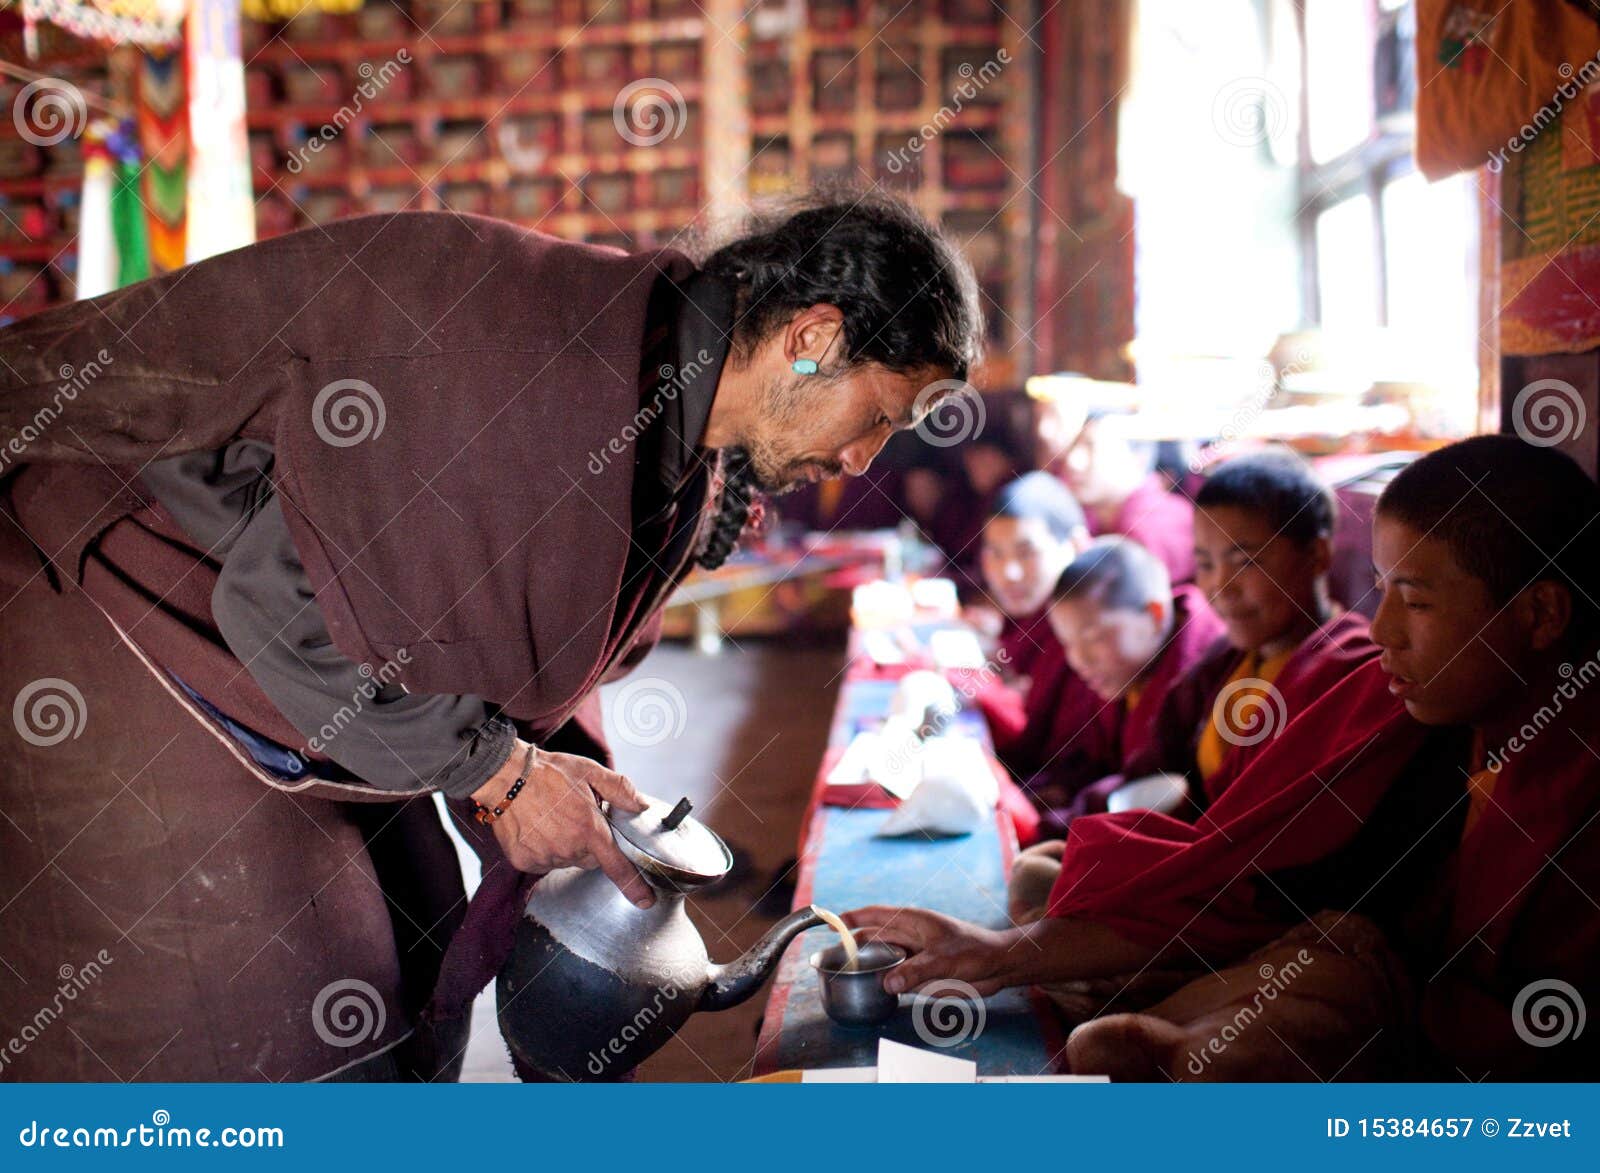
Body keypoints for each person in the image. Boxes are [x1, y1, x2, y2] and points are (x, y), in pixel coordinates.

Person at [0, 190, 983, 1079]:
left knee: (417, 929)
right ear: (812, 336)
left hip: (289, 634)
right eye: (879, 416)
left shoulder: (670, 397)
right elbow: (277, 604)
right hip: (104, 578)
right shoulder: (525, 369)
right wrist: (499, 774)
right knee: (268, 1005)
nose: (861, 458)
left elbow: (533, 607)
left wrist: (554, 760)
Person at [848, 435, 1600, 1081]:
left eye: (1418, 600)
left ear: (1540, 614)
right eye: (1381, 591)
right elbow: (1245, 880)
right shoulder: (1392, 706)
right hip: (1316, 955)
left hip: (1435, 1048)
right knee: (1277, 948)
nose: (1386, 629)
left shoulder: (1572, 778)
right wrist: (1004, 954)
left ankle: (1175, 1035)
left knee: (1335, 969)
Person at [1007, 450, 1373, 918]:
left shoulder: (1345, 671)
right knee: (1036, 875)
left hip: (1251, 906)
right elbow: (1154, 771)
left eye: (1246, 562)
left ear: (1318, 554)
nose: (1222, 587)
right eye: (1206, 564)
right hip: (1190, 873)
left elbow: (1278, 857)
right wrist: (1077, 834)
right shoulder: (1228, 661)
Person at [1017, 537, 1224, 835]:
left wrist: (1071, 815)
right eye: (1068, 645)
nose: (1079, 660)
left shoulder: (1204, 670)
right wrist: (1067, 786)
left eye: (1094, 639)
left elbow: (1160, 789)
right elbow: (1100, 759)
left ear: (1154, 615)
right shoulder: (1126, 671)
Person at [968, 472, 1093, 776]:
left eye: (1026, 553)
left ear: (1075, 545)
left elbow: (1067, 760)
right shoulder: (1025, 617)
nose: (1009, 573)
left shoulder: (1088, 630)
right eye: (996, 554)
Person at [1055, 408, 1196, 583]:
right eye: (1074, 445)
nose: (1072, 461)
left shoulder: (1155, 527)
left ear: (1138, 458)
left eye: (1091, 447)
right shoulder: (1092, 517)